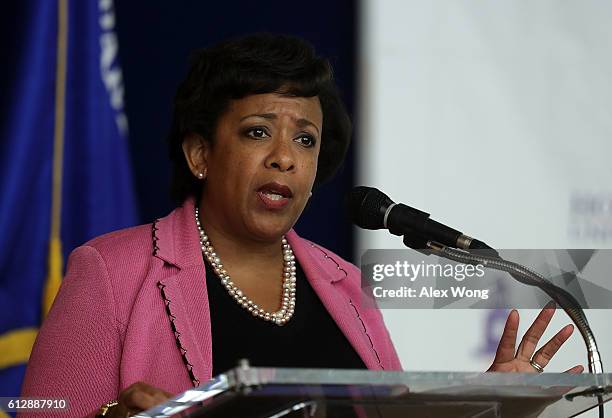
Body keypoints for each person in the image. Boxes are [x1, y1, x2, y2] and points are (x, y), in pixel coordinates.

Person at [20, 33, 583, 418]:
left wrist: (488, 404)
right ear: (200, 153)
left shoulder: (342, 286)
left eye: (305, 139)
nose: (285, 158)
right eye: (259, 132)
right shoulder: (115, 273)